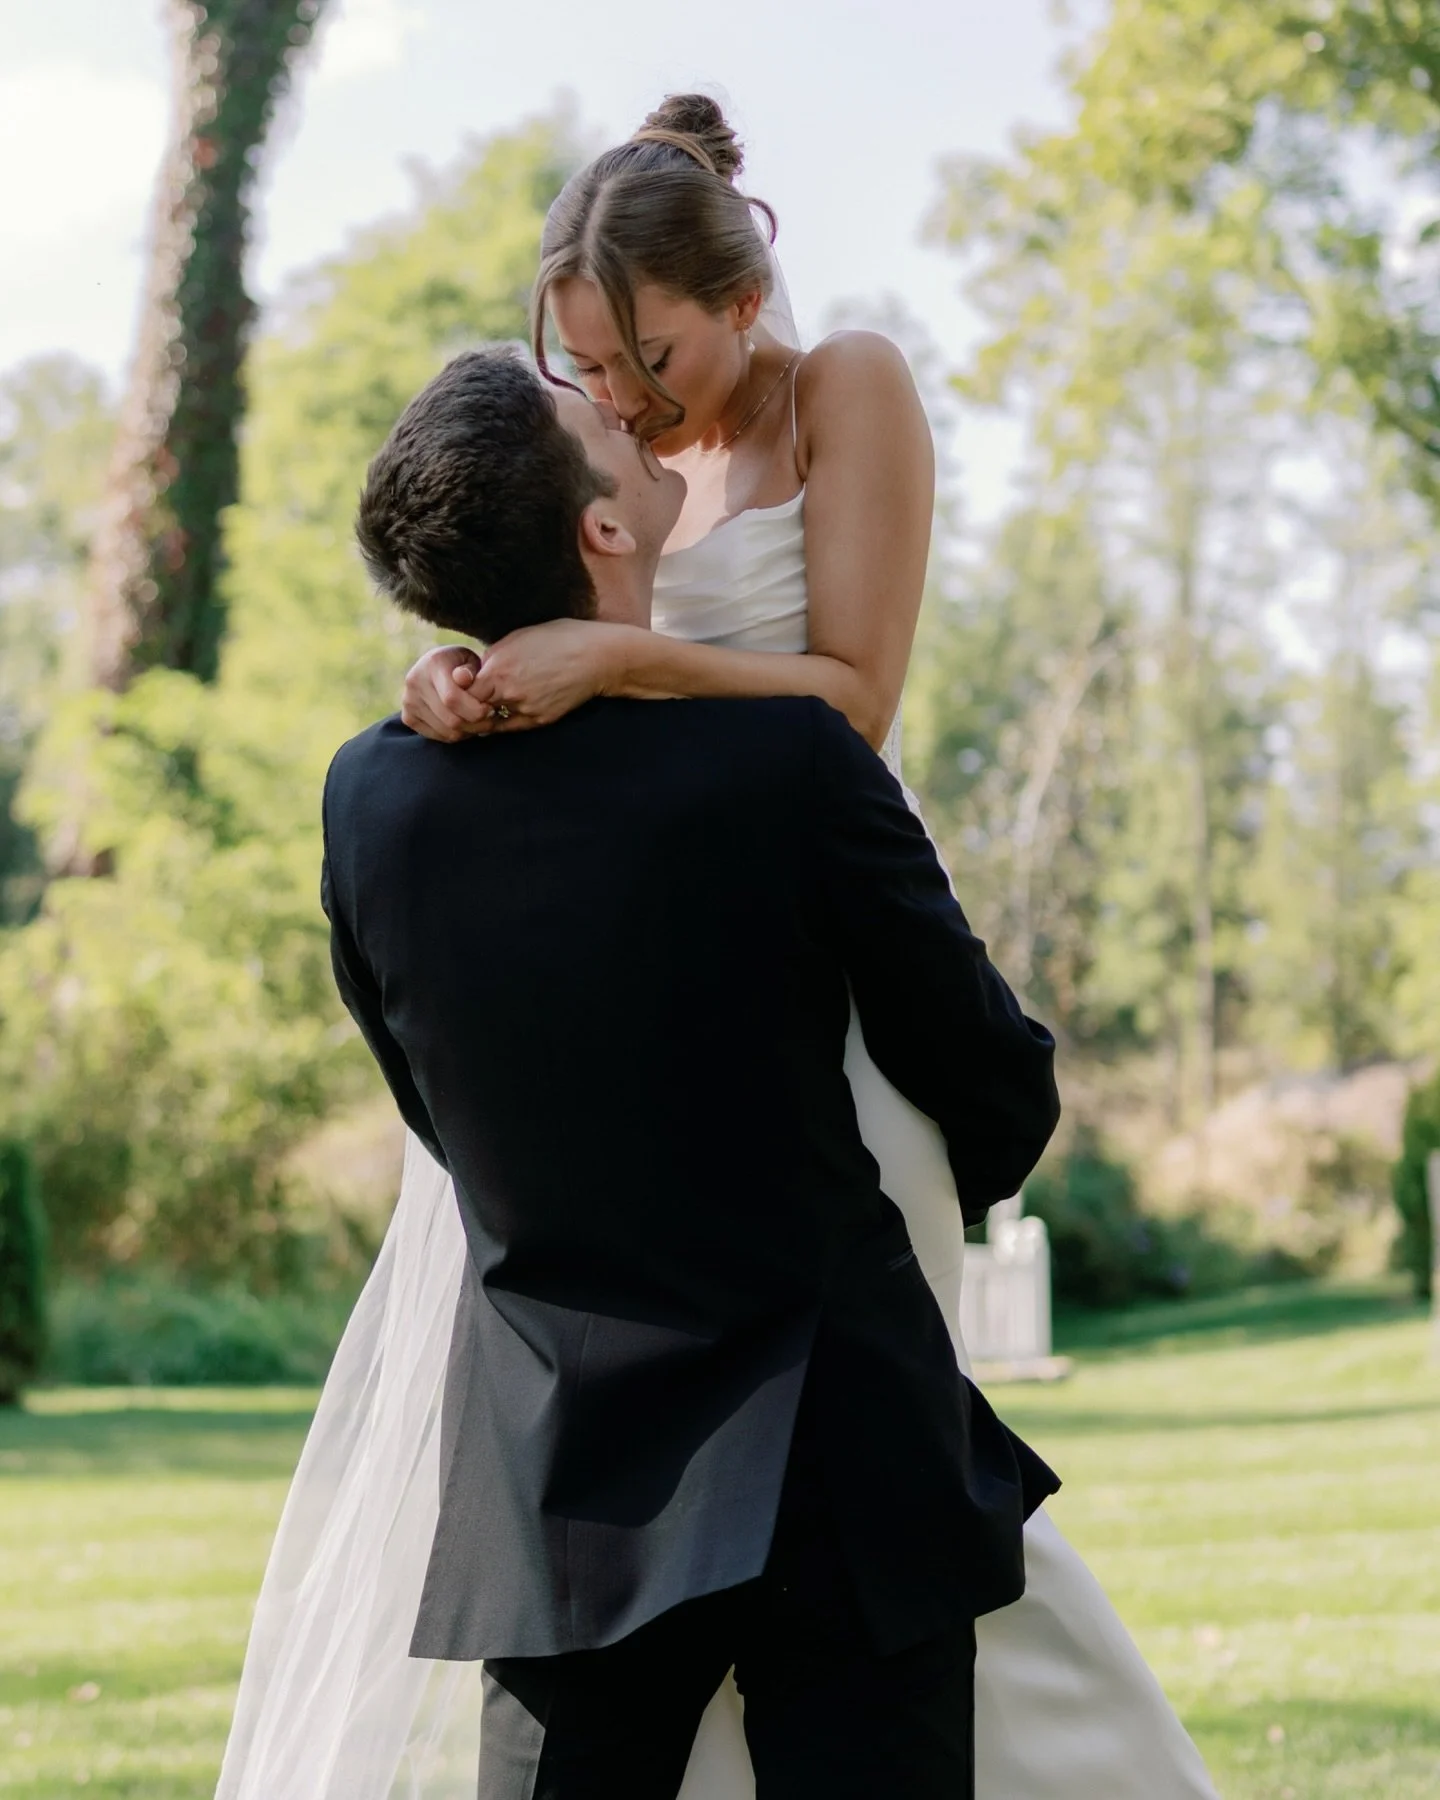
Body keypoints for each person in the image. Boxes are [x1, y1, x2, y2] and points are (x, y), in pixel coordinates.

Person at [397, 95, 1220, 1800]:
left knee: (870, 1446)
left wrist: (616, 666)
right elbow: (534, 619)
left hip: (829, 988)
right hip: (643, 1021)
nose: (617, 397)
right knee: (638, 1492)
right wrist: (457, 685)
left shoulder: (848, 385)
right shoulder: (601, 449)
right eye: (586, 364)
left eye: (650, 353)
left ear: (745, 291)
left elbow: (853, 701)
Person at [329, 342, 1062, 1797]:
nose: (614, 402)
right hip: (834, 1448)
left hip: (560, 1473)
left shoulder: (371, 797)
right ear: (603, 527)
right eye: (584, 411)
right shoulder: (788, 762)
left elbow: (435, 1110)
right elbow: (995, 1079)